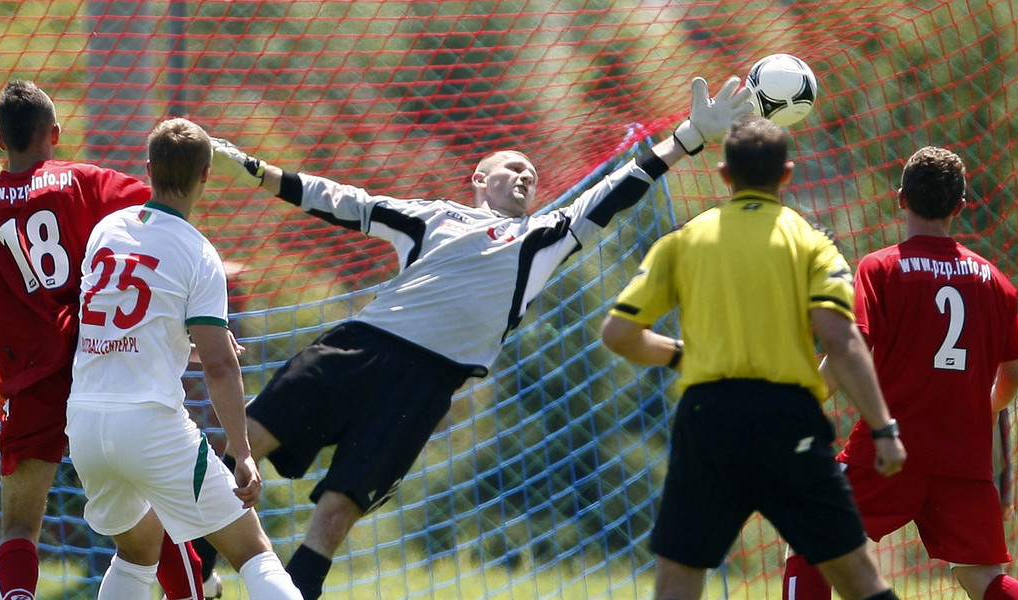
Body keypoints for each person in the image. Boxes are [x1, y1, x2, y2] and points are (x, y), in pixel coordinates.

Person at [196, 75, 755, 599]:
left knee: (337, 515)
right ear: (479, 180)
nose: (526, 175)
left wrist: (687, 138)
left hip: (425, 387)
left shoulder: (546, 237)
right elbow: (341, 199)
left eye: (532, 172)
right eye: (512, 166)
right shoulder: (432, 217)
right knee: (241, 444)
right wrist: (252, 168)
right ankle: (193, 572)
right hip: (359, 348)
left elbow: (618, 189)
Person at [600, 115, 907, 600]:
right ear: (787, 174)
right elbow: (840, 338)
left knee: (678, 580)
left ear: (724, 174)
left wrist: (680, 355)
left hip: (709, 419)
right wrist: (883, 429)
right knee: (859, 580)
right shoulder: (811, 242)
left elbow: (619, 333)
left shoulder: (684, 240)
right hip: (790, 422)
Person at [0, 79, 205, 600]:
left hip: (31, 382)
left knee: (18, 529)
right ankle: (194, 588)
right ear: (54, 133)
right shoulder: (84, 182)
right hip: (100, 368)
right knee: (150, 513)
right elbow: (160, 210)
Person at [780, 146, 1018, 600]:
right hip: (964, 455)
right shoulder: (994, 280)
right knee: (981, 578)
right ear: (961, 207)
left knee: (809, 538)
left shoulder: (881, 268)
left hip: (890, 446)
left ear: (900, 198)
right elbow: (1014, 373)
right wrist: (981, 412)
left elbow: (851, 349)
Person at [64, 117, 302, 600]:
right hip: (149, 424)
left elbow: (119, 324)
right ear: (206, 175)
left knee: (136, 556)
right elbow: (220, 365)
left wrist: (187, 345)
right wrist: (243, 452)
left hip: (86, 425)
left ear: (148, 169)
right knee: (254, 552)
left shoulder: (108, 229)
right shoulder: (198, 252)